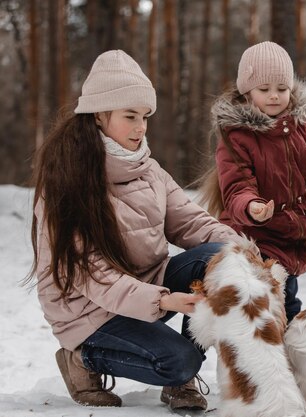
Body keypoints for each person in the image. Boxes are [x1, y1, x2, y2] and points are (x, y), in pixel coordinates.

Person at [27, 50, 241, 410]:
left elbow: (189, 221)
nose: (141, 127)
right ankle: (82, 361)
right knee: (179, 361)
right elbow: (91, 275)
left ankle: (180, 380)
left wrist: (244, 252)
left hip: (144, 286)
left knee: (221, 258)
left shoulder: (147, 168)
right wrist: (161, 300)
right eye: (130, 117)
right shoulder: (66, 181)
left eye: (145, 117)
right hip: (89, 310)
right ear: (99, 115)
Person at [200, 41, 306, 322]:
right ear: (246, 91)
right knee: (264, 308)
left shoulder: (304, 131)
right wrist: (252, 205)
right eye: (264, 90)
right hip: (254, 237)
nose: (274, 96)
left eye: (282, 89)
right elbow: (237, 185)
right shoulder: (237, 136)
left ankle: (282, 359)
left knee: (287, 304)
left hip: (291, 236)